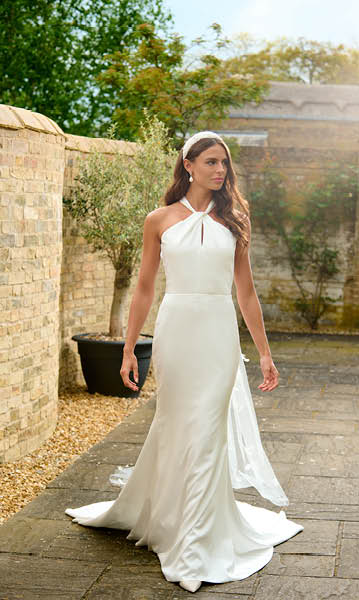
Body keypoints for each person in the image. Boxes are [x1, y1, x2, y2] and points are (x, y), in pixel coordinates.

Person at [64, 131, 302, 593]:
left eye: (225, 164)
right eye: (211, 162)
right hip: (176, 330)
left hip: (217, 332)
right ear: (188, 165)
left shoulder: (235, 217)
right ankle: (171, 519)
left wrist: (265, 353)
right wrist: (130, 347)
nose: (220, 171)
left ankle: (195, 543)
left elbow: (246, 292)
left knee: (207, 427)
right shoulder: (159, 220)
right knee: (176, 424)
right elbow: (146, 288)